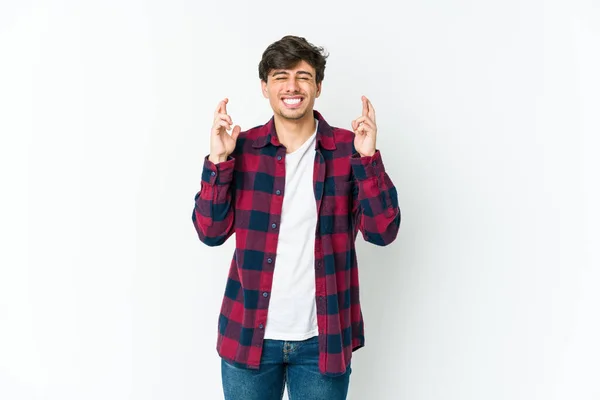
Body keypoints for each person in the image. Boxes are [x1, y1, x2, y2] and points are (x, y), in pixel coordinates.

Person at [192, 35, 401, 400]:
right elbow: (210, 231)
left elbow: (383, 232)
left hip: (322, 342)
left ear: (318, 86)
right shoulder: (241, 149)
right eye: (280, 76)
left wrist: (368, 160)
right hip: (249, 335)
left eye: (303, 76)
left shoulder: (347, 151)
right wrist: (218, 163)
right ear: (265, 87)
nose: (292, 86)